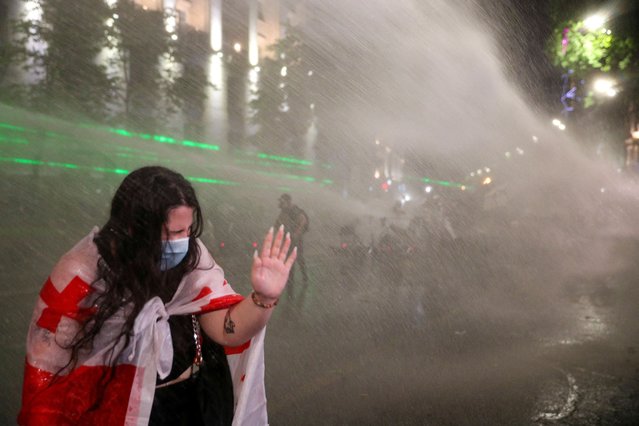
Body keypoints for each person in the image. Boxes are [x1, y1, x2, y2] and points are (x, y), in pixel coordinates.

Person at [18, 166, 296, 425]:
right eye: (174, 232)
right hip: (118, 414)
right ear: (133, 227)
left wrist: (263, 297)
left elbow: (227, 330)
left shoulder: (192, 260)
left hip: (194, 404)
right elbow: (48, 374)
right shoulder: (81, 274)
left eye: (188, 230)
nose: (184, 241)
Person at [274, 193, 308, 284]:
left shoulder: (294, 210)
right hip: (289, 238)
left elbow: (303, 220)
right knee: (290, 258)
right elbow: (278, 223)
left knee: (299, 258)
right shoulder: (284, 211)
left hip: (296, 239)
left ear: (288, 202)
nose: (280, 203)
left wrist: (296, 233)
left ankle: (304, 277)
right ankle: (291, 279)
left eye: (282, 201)